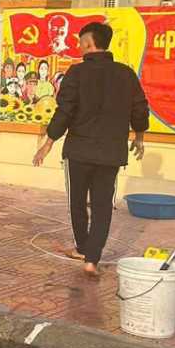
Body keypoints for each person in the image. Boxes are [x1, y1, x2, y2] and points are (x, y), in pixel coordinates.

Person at [33, 21, 149, 278]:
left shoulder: (76, 74)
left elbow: (65, 111)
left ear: (88, 43)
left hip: (79, 151)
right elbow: (140, 107)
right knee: (102, 206)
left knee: (77, 202)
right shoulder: (126, 74)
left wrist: (49, 142)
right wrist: (139, 136)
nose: (78, 46)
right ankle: (92, 259)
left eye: (80, 41)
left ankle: (83, 248)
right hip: (110, 152)